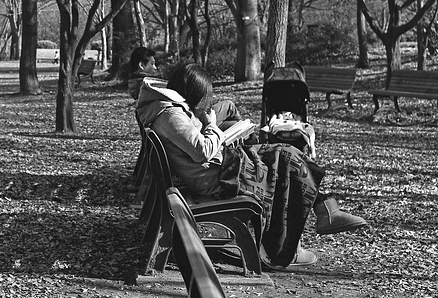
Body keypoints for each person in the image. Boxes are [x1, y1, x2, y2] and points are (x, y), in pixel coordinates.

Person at [136, 62, 368, 270]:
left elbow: (198, 143)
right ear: (194, 93)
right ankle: (290, 244)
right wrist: (212, 126)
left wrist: (225, 127)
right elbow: (202, 150)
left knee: (282, 155)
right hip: (216, 178)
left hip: (219, 169)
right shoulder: (171, 114)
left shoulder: (170, 108)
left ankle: (324, 211)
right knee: (282, 160)